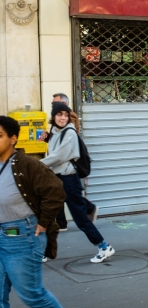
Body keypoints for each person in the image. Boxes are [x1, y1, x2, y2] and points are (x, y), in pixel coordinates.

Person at [0, 116, 79, 308]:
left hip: (21, 236)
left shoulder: (26, 164)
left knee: (30, 292)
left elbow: (55, 191)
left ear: (13, 139)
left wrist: (43, 223)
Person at [41, 103, 115, 264]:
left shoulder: (70, 133)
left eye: (65, 115)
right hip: (55, 179)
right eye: (59, 114)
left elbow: (59, 156)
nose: (63, 118)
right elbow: (53, 152)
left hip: (68, 179)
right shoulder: (54, 131)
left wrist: (37, 165)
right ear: (53, 116)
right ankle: (44, 251)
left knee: (80, 218)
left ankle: (104, 246)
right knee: (45, 214)